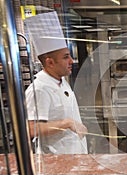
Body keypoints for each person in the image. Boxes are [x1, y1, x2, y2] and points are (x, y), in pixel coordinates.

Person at [24, 11, 88, 154]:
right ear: (50, 62)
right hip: (57, 161)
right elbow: (31, 128)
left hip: (74, 156)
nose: (71, 61)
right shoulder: (40, 88)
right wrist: (67, 123)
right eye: (66, 57)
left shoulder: (62, 81)